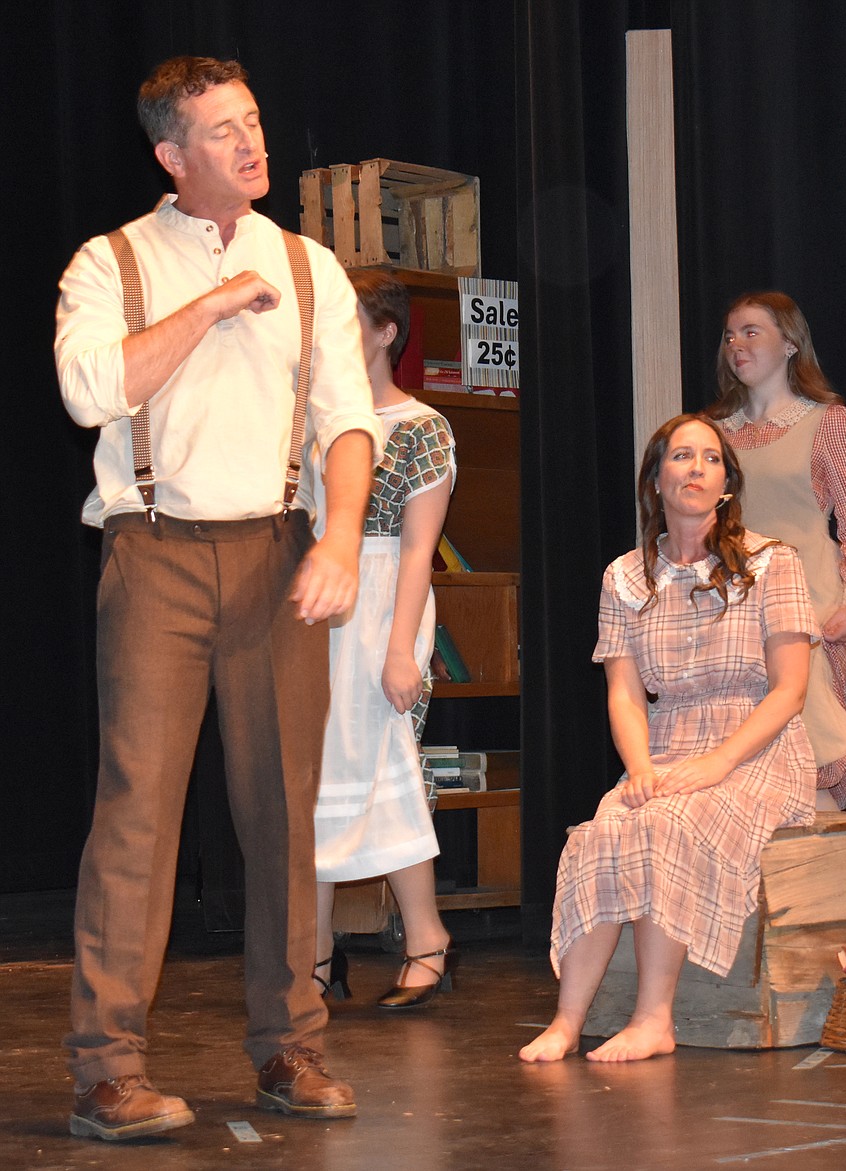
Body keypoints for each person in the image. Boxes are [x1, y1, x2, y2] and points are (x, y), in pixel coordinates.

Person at [54, 56, 382, 1140]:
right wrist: (211, 304)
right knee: (136, 816)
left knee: (281, 810)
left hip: (277, 551)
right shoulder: (111, 262)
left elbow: (345, 421)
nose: (251, 143)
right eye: (222, 130)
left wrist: (337, 538)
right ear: (170, 156)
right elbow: (90, 388)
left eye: (253, 121)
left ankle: (290, 1048)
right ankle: (108, 1070)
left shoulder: (311, 265)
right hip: (154, 550)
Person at [519, 414, 817, 1064]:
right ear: (657, 480)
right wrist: (640, 768)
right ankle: (568, 1021)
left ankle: (655, 1018)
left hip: (757, 752)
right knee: (603, 827)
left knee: (671, 824)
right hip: (667, 746)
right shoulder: (624, 578)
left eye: (711, 458)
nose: (696, 468)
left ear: (727, 484)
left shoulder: (773, 564)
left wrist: (717, 763)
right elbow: (624, 694)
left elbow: (789, 691)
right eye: (681, 456)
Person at [312, 266, 457, 1010]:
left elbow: (414, 551)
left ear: (385, 332)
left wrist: (401, 648)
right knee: (312, 772)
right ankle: (315, 951)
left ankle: (426, 938)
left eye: (349, 318)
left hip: (382, 609)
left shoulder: (422, 429)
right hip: (318, 605)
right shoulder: (315, 421)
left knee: (386, 762)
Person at [707, 292, 846, 810]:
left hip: (811, 606)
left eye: (750, 331)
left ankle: (822, 881)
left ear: (789, 343)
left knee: (814, 747)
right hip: (737, 608)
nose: (736, 344)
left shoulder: (826, 422)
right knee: (751, 756)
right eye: (729, 334)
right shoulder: (714, 433)